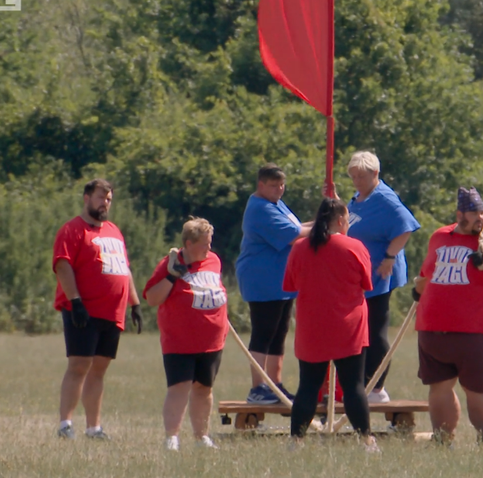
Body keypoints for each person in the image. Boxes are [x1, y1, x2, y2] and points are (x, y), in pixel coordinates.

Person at [412, 187, 483, 443]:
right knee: (439, 388)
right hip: (433, 328)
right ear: (460, 215)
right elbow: (426, 275)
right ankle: (443, 440)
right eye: (474, 214)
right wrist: (417, 291)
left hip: (475, 332)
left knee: (479, 393)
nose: (480, 219)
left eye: (482, 213)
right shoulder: (440, 236)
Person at [282, 198, 379, 453]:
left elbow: (291, 284)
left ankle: (296, 441)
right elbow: (368, 284)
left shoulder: (300, 248)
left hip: (311, 327)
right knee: (354, 387)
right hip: (348, 327)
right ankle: (366, 441)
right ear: (340, 220)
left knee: (308, 386)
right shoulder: (354, 247)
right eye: (347, 220)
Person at [53, 178, 143, 440]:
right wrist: (76, 301)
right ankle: (65, 425)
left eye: (109, 199)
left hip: (112, 311)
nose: (105, 203)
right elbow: (62, 265)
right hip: (84, 309)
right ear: (86, 198)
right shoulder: (72, 230)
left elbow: (123, 268)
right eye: (100, 197)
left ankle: (94, 428)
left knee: (100, 368)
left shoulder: (114, 231)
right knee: (79, 365)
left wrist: (135, 303)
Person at [339, 151, 420, 403]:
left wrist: (389, 256)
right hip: (357, 274)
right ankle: (361, 382)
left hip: (378, 272)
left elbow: (406, 226)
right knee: (358, 330)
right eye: (353, 177)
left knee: (375, 330)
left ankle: (377, 387)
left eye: (361, 176)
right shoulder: (359, 197)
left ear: (375, 174)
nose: (357, 182)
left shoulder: (385, 199)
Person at [143, 217, 228, 451]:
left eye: (210, 243)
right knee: (179, 388)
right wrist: (172, 276)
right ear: (189, 244)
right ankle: (172, 437)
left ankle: (201, 437)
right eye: (204, 244)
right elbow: (152, 298)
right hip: (179, 340)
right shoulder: (169, 263)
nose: (209, 248)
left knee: (204, 388)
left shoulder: (214, 261)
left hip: (212, 340)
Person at [236, 164, 312, 404]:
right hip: (262, 278)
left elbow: (299, 228)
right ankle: (258, 388)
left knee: (279, 333)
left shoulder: (276, 204)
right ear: (261, 185)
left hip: (282, 280)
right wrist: (325, 226)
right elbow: (293, 236)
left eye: (282, 185)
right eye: (273, 185)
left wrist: (324, 221)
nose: (279, 189)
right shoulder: (260, 208)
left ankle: (274, 385)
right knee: (264, 332)